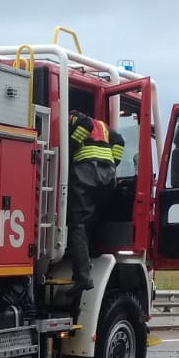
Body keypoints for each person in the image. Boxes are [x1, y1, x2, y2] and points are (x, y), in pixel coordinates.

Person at [66, 109, 125, 293]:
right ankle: (89, 260)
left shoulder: (73, 117)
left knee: (78, 224)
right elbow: (120, 142)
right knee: (91, 219)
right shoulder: (104, 126)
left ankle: (83, 278)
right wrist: (112, 164)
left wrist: (70, 149)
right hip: (107, 176)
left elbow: (85, 124)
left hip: (87, 171)